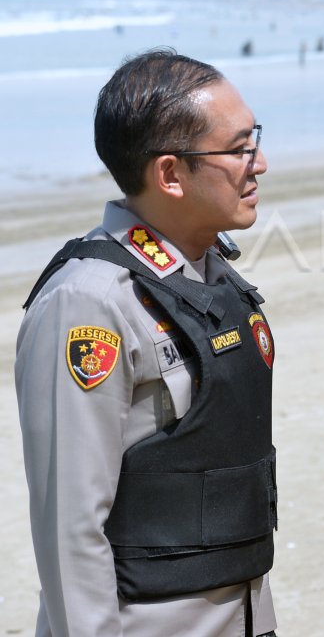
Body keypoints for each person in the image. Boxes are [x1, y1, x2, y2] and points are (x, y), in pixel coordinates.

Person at [16, 49, 278, 636]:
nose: (260, 162)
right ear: (169, 174)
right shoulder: (89, 302)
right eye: (238, 148)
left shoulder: (211, 276)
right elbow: (69, 525)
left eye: (254, 139)